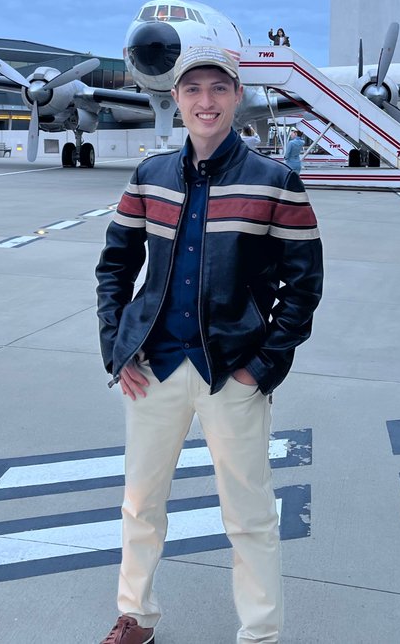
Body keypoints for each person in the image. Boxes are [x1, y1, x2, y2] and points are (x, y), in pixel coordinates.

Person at [96, 43, 324, 644]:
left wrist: (263, 366)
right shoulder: (149, 177)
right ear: (175, 98)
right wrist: (117, 351)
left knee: (249, 517)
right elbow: (114, 268)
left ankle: (259, 634)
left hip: (233, 372)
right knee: (140, 506)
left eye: (218, 88)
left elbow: (304, 287)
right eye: (193, 89)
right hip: (155, 369)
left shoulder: (277, 183)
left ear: (237, 96)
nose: (206, 100)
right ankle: (136, 617)